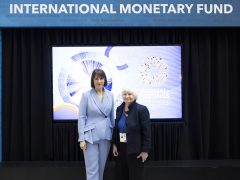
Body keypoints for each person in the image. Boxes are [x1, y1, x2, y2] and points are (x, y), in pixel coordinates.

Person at [78, 68, 115, 180]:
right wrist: (81, 138)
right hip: (90, 136)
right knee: (92, 170)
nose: (99, 81)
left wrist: (114, 140)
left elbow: (112, 117)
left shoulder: (111, 95)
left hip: (106, 135)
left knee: (101, 168)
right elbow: (81, 117)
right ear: (92, 80)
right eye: (96, 79)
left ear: (105, 80)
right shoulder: (86, 95)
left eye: (101, 78)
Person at [112, 88, 151, 180]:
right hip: (121, 148)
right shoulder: (119, 109)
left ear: (134, 96)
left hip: (136, 150)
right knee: (121, 175)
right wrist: (114, 144)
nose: (127, 96)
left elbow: (147, 131)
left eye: (130, 94)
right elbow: (116, 128)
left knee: (135, 176)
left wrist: (145, 151)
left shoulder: (142, 109)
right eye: (124, 94)